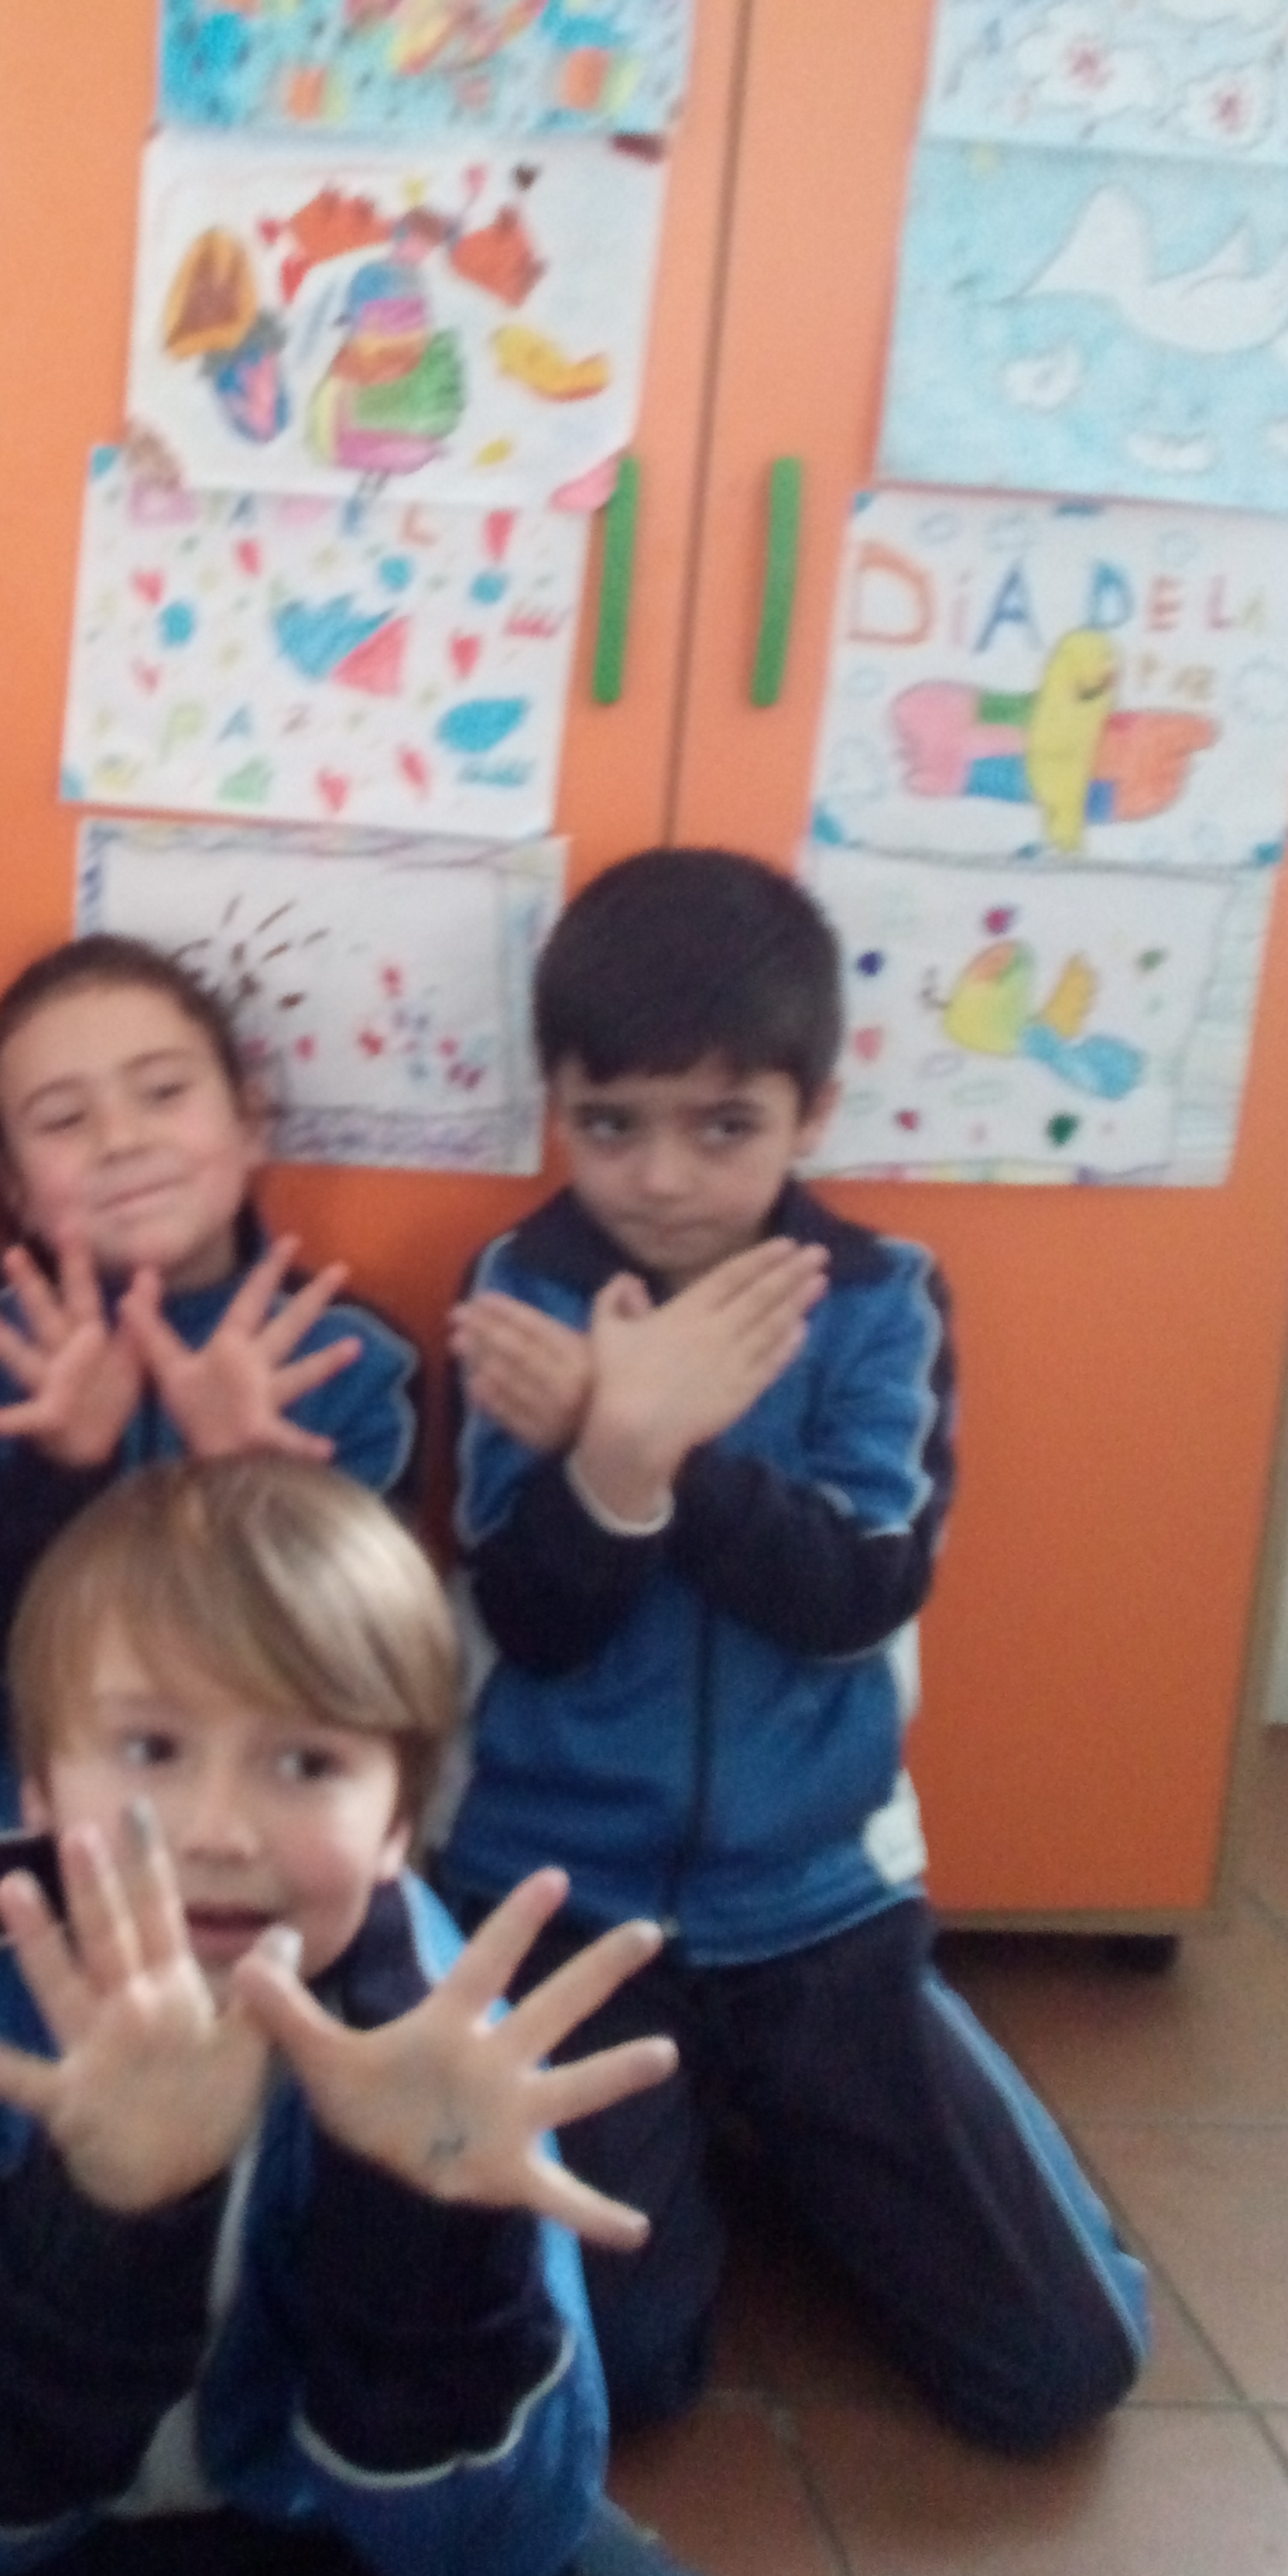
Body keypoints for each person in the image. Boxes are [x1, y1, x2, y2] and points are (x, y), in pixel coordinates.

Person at [0, 1457, 800, 2576]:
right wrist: (98, 2213)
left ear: (398, 1824)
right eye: (151, 1747)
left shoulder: (439, 2028)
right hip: (12, 2568)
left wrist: (425, 2231)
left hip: (338, 2558)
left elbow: (495, 2554)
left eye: (306, 1765)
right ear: (39, 1787)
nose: (220, 1831)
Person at [446, 845, 1148, 2453]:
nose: (662, 1178)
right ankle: (721, 2135)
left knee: (1064, 2368)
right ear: (557, 1104)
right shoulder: (522, 1289)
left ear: (812, 1110)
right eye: (611, 1123)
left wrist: (648, 1445)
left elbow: (858, 1586)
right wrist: (605, 1466)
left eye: (724, 1126)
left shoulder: (883, 1298)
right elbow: (536, 1622)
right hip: (565, 1901)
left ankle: (808, 2121)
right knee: (627, 2382)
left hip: (819, 1903)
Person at [0, 934, 419, 1888]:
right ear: (11, 1185)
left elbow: (361, 1696)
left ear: (251, 1121)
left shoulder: (356, 1358)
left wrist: (241, 1484)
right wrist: (60, 1469)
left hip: (260, 1867)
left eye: (164, 1092)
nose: (122, 1139)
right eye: (63, 1118)